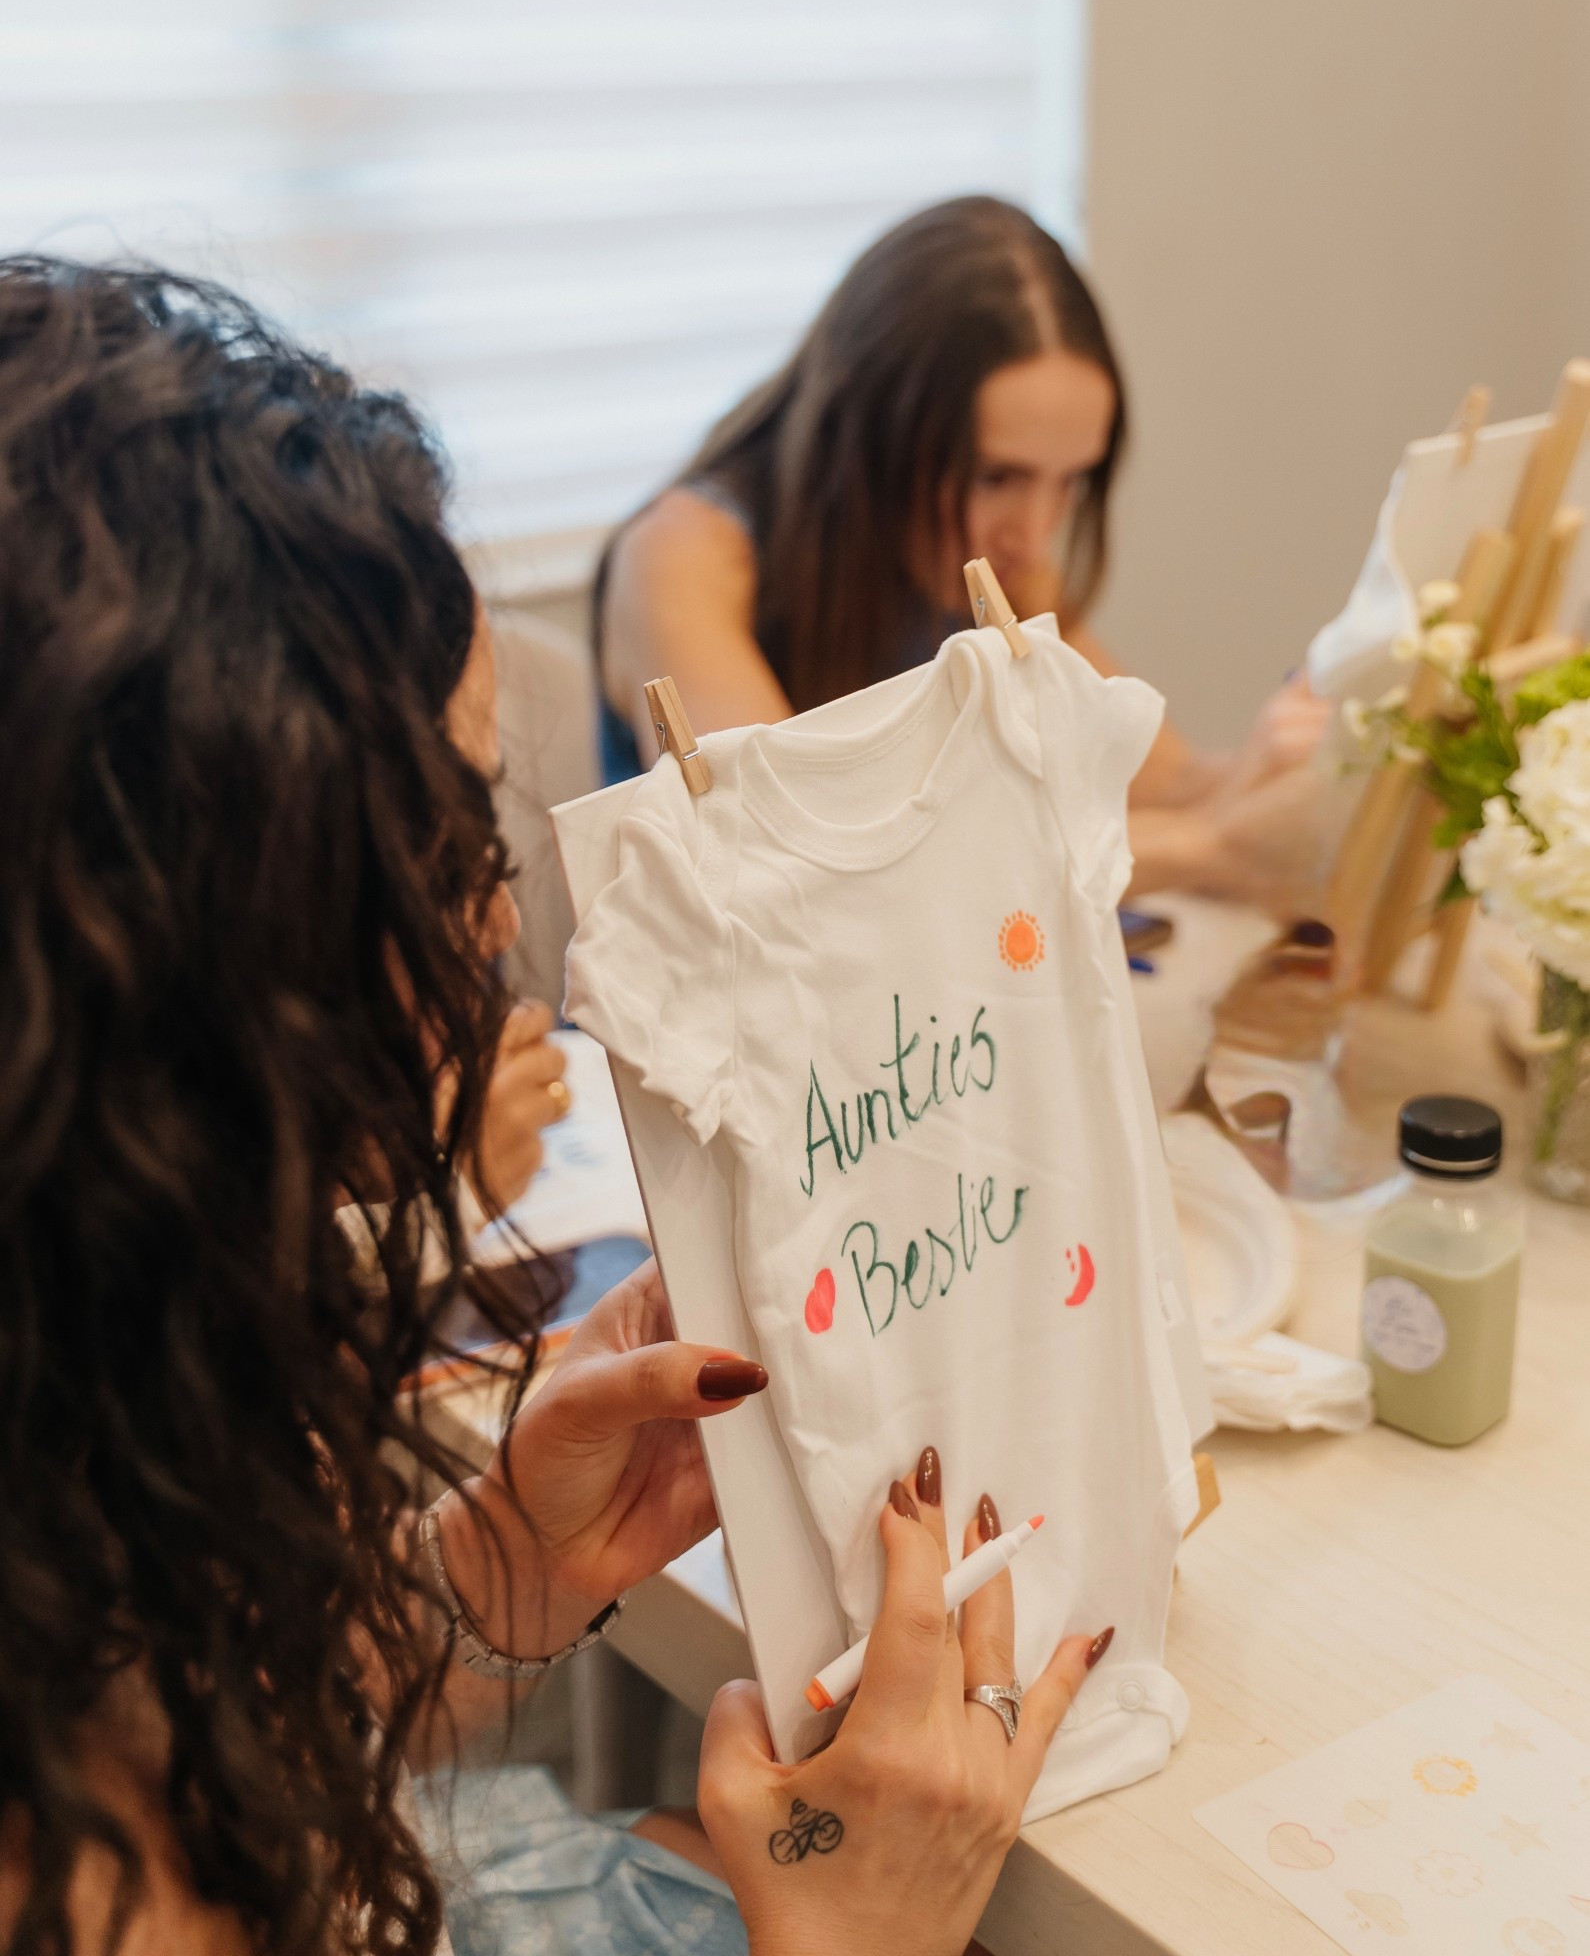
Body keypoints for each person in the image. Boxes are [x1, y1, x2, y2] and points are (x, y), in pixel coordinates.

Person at [0, 258, 1111, 1956]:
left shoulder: (77, 1424)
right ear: (156, 951)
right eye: (435, 845)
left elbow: (200, 1745)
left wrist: (500, 1561)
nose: (497, 921)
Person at [596, 195, 1331, 913]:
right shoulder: (681, 559)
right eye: (996, 477)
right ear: (866, 429)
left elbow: (1157, 780)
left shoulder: (990, 555)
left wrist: (1296, 763)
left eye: (1070, 482)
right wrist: (1206, 845)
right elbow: (811, 872)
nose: (1034, 534)